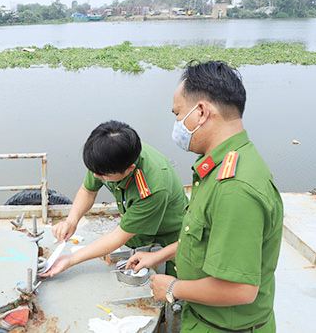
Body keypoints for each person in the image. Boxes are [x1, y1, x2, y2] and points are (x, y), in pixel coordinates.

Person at [127, 61, 283, 332]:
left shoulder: (234, 187)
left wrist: (173, 287)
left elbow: (241, 290)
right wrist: (158, 256)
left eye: (178, 114)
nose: (177, 123)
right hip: (204, 319)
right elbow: (206, 238)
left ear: (200, 112)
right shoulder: (221, 166)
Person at [41, 120, 187, 277]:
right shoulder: (108, 155)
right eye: (94, 171)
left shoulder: (152, 188)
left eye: (103, 175)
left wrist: (70, 260)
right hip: (133, 228)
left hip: (168, 239)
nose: (97, 176)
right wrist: (71, 221)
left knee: (166, 282)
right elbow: (88, 190)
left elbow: (119, 236)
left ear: (129, 169)